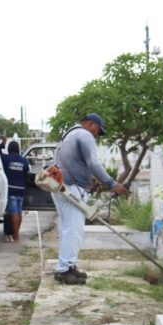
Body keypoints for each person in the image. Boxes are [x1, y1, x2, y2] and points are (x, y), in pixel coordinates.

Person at [52, 113, 127, 285]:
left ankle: (66, 265)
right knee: (74, 229)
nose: (96, 135)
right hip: (71, 187)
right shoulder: (84, 135)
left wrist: (89, 180)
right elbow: (94, 163)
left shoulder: (68, 135)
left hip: (60, 185)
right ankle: (64, 269)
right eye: (97, 131)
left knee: (67, 228)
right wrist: (112, 183)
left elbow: (72, 162)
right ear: (91, 124)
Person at [0, 137, 30, 242]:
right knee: (18, 212)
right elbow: (26, 174)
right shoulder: (24, 161)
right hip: (21, 190)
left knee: (13, 213)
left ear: (9, 149)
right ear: (18, 149)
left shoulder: (6, 158)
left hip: (11, 190)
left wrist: (2, 144)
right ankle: (16, 234)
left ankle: (16, 237)